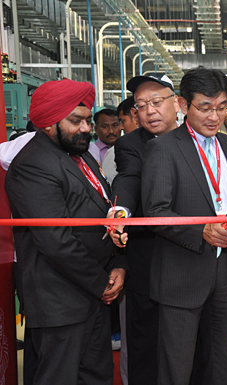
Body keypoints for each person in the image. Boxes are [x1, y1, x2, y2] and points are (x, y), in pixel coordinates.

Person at [5, 79, 127, 384]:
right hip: (59, 302)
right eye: (75, 121)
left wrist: (117, 267)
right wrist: (101, 283)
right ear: (48, 123)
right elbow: (56, 241)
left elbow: (103, 213)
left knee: (96, 375)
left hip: (93, 294)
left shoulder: (81, 155)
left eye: (87, 120)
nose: (86, 128)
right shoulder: (33, 165)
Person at [141, 66, 227, 385]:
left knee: (225, 361)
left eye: (222, 107)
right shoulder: (163, 148)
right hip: (181, 272)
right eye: (205, 107)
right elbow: (155, 212)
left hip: (225, 272)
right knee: (178, 366)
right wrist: (200, 230)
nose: (215, 116)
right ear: (183, 105)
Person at [109, 73, 180, 385]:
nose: (149, 111)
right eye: (141, 106)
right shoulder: (130, 144)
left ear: (176, 103)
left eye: (156, 102)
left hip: (194, 262)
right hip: (147, 263)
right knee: (145, 347)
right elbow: (129, 178)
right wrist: (121, 210)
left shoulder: (200, 138)